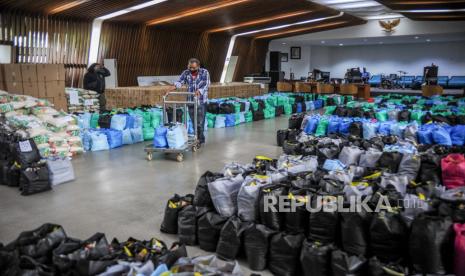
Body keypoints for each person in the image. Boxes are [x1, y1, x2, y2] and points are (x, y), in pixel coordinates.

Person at [170, 58, 210, 146]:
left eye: (193, 68)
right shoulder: (186, 73)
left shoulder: (204, 72)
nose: (191, 70)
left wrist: (199, 91)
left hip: (201, 101)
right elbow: (180, 81)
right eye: (190, 67)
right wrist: (174, 86)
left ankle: (199, 140)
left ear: (198, 66)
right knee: (194, 122)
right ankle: (200, 138)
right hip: (190, 101)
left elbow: (206, 84)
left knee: (200, 122)